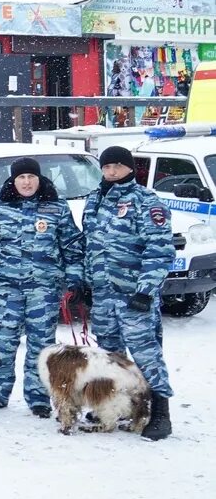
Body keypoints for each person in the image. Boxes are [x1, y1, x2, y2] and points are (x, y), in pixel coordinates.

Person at [0, 156, 83, 418]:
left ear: (39, 179)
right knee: (1, 343)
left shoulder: (56, 208)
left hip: (43, 290)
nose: (27, 182)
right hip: (6, 289)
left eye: (31, 177)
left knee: (41, 346)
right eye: (21, 177)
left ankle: (39, 398)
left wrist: (76, 279)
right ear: (13, 180)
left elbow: (71, 247)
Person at [81, 146, 176, 440]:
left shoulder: (146, 202)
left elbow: (160, 251)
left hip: (133, 295)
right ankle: (116, 406)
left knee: (147, 354)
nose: (111, 172)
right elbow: (89, 246)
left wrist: (146, 290)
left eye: (117, 167)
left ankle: (160, 412)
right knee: (110, 356)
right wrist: (87, 282)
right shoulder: (94, 200)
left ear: (130, 168)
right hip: (103, 294)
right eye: (106, 167)